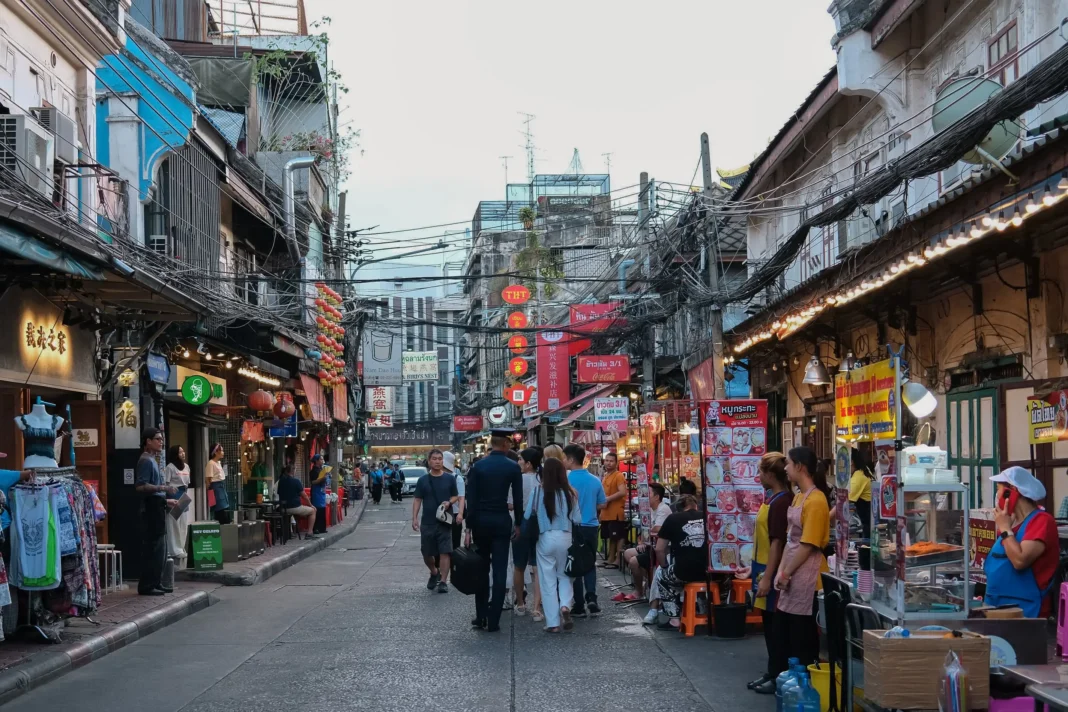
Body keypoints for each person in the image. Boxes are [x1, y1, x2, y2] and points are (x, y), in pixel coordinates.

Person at [772, 446, 831, 675]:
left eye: (788, 463)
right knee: (785, 633)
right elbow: (790, 540)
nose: (785, 468)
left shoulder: (816, 500)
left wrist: (786, 572)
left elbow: (807, 545)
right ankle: (785, 678)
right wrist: (781, 571)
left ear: (800, 467)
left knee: (802, 636)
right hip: (791, 572)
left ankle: (803, 682)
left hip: (809, 576)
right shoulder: (798, 497)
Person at [465, 429, 524, 632]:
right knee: (499, 570)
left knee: (481, 569)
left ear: (492, 443)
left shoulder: (478, 467)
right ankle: (494, 619)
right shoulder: (513, 467)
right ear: (505, 444)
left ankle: (481, 615)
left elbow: (471, 500)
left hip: (480, 522)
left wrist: (468, 528)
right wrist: (518, 524)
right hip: (501, 520)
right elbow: (518, 499)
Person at [985, 466, 1059, 617]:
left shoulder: (1041, 521)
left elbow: (1020, 561)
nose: (997, 495)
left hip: (1027, 611)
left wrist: (1005, 528)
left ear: (1011, 491)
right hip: (995, 607)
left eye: (998, 489)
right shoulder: (1011, 523)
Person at [749, 452, 791, 694]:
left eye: (761, 472)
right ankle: (772, 671)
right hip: (762, 567)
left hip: (772, 570)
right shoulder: (772, 498)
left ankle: (778, 674)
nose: (759, 476)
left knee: (776, 627)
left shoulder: (782, 502)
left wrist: (768, 577)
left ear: (770, 475)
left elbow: (777, 542)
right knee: (768, 624)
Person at [525, 456, 583, 632]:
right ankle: (565, 605)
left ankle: (553, 623)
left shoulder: (537, 492)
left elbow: (527, 516)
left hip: (545, 537)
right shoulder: (570, 493)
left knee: (547, 580)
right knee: (565, 575)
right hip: (566, 537)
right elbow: (577, 519)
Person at [646, 494, 707, 629]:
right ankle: (713, 609)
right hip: (711, 573)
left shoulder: (673, 518)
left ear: (679, 508)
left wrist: (664, 566)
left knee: (661, 575)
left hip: (683, 572)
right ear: (696, 506)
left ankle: (674, 619)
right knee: (724, 580)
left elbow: (659, 549)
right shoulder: (708, 516)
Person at [563, 443, 606, 617]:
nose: (563, 461)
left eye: (564, 458)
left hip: (573, 527)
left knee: (574, 563)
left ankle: (579, 604)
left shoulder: (566, 480)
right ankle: (592, 598)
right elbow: (602, 504)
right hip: (591, 527)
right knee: (589, 562)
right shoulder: (595, 480)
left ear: (571, 460)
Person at [135, 428, 176, 595]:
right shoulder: (145, 460)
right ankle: (147, 585)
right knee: (153, 547)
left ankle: (156, 582)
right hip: (151, 509)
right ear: (148, 441)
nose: (161, 442)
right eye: (157, 439)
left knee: (160, 548)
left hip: (157, 505)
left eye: (161, 439)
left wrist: (166, 500)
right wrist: (163, 488)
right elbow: (140, 486)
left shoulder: (152, 459)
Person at [413, 449, 459, 593]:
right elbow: (417, 499)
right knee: (426, 552)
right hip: (428, 522)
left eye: (440, 459)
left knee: (445, 551)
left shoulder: (450, 479)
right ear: (429, 461)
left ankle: (443, 581)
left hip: (444, 521)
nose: (437, 461)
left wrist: (449, 502)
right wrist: (414, 518)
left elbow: (455, 496)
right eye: (434, 459)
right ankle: (434, 572)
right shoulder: (423, 480)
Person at [624, 483, 673, 608]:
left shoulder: (663, 509)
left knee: (634, 561)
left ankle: (641, 589)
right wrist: (642, 541)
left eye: (648, 494)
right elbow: (645, 528)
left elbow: (658, 528)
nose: (645, 497)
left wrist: (647, 530)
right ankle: (643, 585)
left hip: (662, 548)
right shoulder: (650, 509)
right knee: (628, 553)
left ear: (657, 497)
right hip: (650, 545)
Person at [512, 447, 543, 619]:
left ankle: (520, 604)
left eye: (520, 459)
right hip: (540, 524)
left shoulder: (518, 480)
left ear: (529, 463)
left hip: (521, 522)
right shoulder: (543, 479)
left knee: (519, 565)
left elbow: (510, 504)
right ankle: (537, 607)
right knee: (538, 567)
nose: (518, 462)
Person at [164, 445, 192, 569]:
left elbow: (187, 484)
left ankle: (181, 547)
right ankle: (174, 549)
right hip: (173, 496)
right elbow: (166, 484)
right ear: (175, 454)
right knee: (173, 524)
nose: (183, 453)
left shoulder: (187, 467)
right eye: (180, 452)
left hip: (183, 496)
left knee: (183, 524)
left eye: (183, 451)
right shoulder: (170, 467)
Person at [599, 452, 627, 570]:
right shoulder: (606, 475)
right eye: (606, 460)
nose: (608, 463)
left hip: (616, 512)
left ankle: (618, 560)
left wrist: (608, 499)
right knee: (611, 537)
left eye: (611, 461)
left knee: (618, 536)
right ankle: (610, 558)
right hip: (606, 512)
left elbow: (622, 492)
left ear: (616, 463)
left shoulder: (618, 475)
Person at [277, 465, 316, 536]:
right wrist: (311, 505)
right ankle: (310, 532)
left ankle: (291, 531)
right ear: (293, 471)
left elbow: (279, 493)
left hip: (283, 508)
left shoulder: (281, 481)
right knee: (313, 511)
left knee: (294, 514)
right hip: (295, 508)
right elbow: (304, 496)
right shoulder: (296, 481)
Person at [849, 449, 874, 540]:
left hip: (867, 521)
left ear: (851, 462)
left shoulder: (858, 477)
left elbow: (843, 502)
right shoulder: (864, 470)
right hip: (872, 518)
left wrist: (827, 517)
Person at [443, 452, 466, 550]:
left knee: (455, 542)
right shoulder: (435, 477)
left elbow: (461, 498)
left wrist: (460, 514)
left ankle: (454, 559)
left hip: (454, 513)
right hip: (440, 513)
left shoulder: (457, 478)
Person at [206, 443, 230, 524]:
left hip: (222, 488)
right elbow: (208, 480)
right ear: (216, 452)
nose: (223, 452)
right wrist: (210, 494)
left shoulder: (218, 463)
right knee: (220, 511)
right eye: (221, 450)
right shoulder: (211, 463)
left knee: (225, 509)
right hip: (216, 489)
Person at [308, 454, 329, 536]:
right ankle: (316, 528)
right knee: (317, 509)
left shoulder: (322, 469)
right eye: (321, 459)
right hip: (316, 492)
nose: (322, 461)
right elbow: (313, 482)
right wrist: (322, 478)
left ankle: (322, 528)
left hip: (322, 491)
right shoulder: (313, 471)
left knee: (322, 508)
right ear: (316, 461)